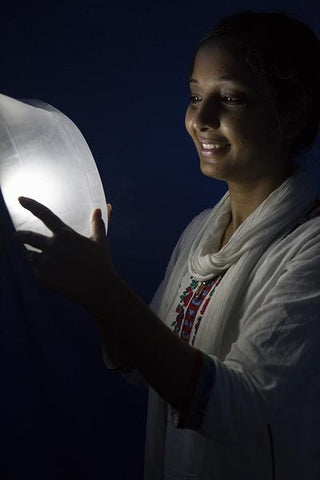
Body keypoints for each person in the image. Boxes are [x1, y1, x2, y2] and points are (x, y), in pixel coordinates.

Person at [14, 11, 320, 480]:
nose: (200, 118)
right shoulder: (200, 231)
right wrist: (101, 290)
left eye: (231, 98)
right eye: (195, 96)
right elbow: (144, 366)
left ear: (294, 113)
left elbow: (240, 409)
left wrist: (104, 292)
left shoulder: (310, 247)